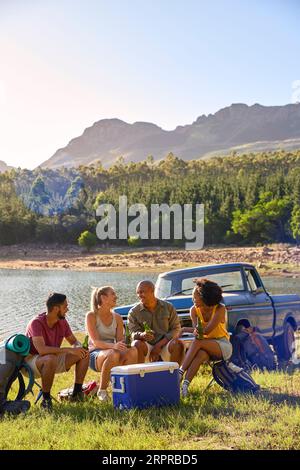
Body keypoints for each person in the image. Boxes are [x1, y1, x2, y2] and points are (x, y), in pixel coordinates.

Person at [25, 293, 90, 411]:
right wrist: (69, 350)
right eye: (65, 306)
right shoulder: (36, 323)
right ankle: (46, 400)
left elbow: (73, 341)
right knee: (50, 358)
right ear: (56, 309)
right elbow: (42, 350)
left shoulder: (62, 322)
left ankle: (76, 393)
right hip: (31, 362)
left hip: (52, 359)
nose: (67, 309)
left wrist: (78, 347)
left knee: (84, 353)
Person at [178, 278, 233, 397]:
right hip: (204, 345)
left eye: (195, 297)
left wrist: (186, 330)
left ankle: (180, 372)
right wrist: (188, 330)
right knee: (200, 355)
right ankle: (184, 387)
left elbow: (206, 331)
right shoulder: (193, 310)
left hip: (222, 345)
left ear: (204, 297)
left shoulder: (220, 309)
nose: (192, 299)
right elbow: (198, 332)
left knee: (198, 341)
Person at [85, 286, 138, 402]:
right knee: (113, 354)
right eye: (113, 294)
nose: (116, 296)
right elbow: (96, 342)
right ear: (103, 298)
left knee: (133, 351)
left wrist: (126, 345)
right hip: (95, 353)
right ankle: (102, 390)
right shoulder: (91, 316)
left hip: (112, 351)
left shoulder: (117, 317)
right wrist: (114, 346)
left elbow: (119, 341)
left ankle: (125, 387)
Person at [128, 280, 184, 364]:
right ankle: (140, 375)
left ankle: (175, 375)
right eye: (138, 293)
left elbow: (176, 329)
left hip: (165, 344)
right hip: (147, 346)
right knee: (136, 344)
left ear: (152, 291)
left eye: (142, 292)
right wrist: (142, 335)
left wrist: (159, 345)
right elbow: (132, 333)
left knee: (178, 344)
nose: (139, 295)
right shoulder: (134, 312)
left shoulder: (168, 307)